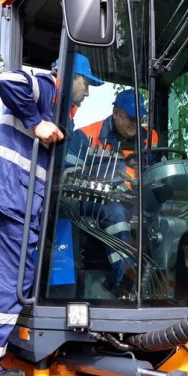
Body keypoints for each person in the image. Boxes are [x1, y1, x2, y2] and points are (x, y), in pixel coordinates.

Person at [0, 53, 102, 376]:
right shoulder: (46, 87)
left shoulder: (59, 111)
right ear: (70, 75)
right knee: (10, 284)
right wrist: (37, 122)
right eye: (86, 83)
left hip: (2, 199)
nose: (88, 92)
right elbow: (6, 81)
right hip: (12, 201)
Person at [74, 89, 158, 296]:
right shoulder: (85, 136)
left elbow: (156, 173)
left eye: (140, 118)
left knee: (163, 219)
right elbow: (67, 175)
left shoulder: (150, 137)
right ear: (116, 113)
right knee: (117, 215)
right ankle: (124, 286)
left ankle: (158, 285)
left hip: (134, 200)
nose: (135, 124)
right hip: (95, 200)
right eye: (130, 118)